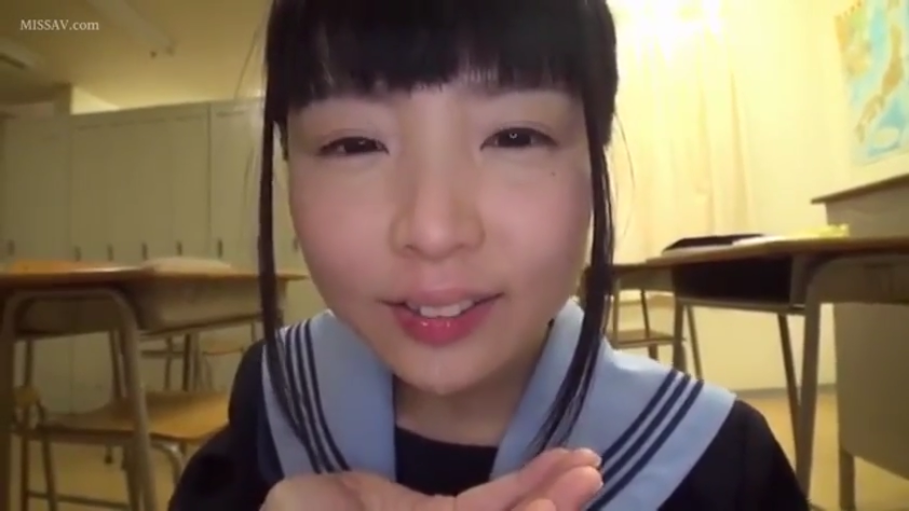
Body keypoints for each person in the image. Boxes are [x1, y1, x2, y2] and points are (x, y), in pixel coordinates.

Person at [170, 0, 810, 509]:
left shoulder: (721, 466)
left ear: (595, 158)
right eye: (354, 144)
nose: (434, 229)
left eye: (515, 136)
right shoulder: (268, 419)